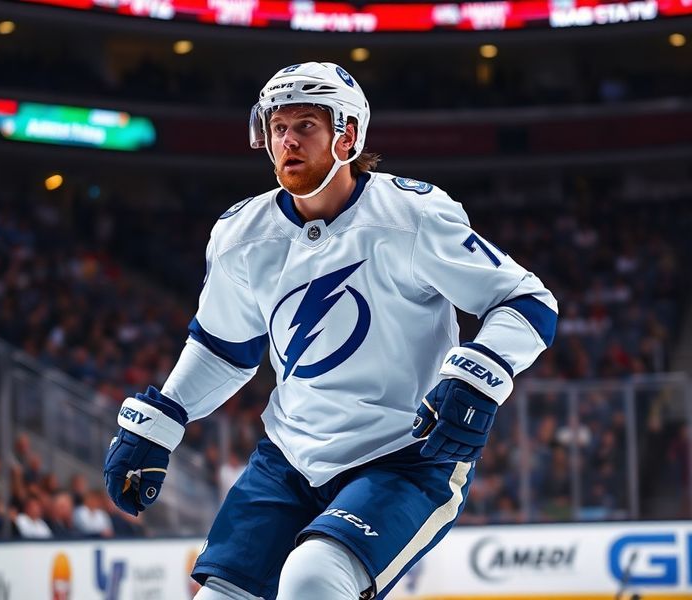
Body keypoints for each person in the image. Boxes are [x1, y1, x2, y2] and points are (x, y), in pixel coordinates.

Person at [104, 62, 558, 600]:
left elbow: (528, 300)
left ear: (348, 135)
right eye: (278, 127)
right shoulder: (239, 234)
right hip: (287, 459)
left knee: (314, 580)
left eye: (306, 125)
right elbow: (224, 349)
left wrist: (480, 375)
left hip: (405, 458)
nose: (288, 140)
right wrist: (164, 417)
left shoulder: (411, 214)